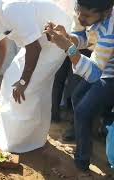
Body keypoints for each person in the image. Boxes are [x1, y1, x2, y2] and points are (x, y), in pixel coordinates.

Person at [0, 0, 72, 153]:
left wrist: (23, 81)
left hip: (56, 39)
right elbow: (2, 49)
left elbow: (34, 48)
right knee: (10, 79)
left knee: (28, 89)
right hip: (37, 41)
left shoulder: (9, 9)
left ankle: (22, 143)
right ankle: (24, 138)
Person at [45, 0, 114, 174]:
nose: (81, 18)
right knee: (77, 98)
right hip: (102, 68)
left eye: (87, 15)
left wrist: (68, 47)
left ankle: (81, 162)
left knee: (83, 110)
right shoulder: (91, 17)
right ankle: (84, 143)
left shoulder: (110, 30)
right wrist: (68, 37)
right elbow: (84, 39)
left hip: (109, 74)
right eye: (79, 12)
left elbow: (94, 73)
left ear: (104, 13)